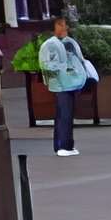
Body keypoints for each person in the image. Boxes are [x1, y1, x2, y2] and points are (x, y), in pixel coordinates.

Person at [39, 16, 93, 157]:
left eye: (64, 24)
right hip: (62, 84)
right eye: (60, 25)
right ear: (53, 28)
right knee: (65, 114)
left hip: (69, 83)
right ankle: (64, 145)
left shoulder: (67, 42)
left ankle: (64, 145)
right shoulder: (51, 45)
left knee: (65, 114)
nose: (64, 28)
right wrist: (67, 68)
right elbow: (49, 65)